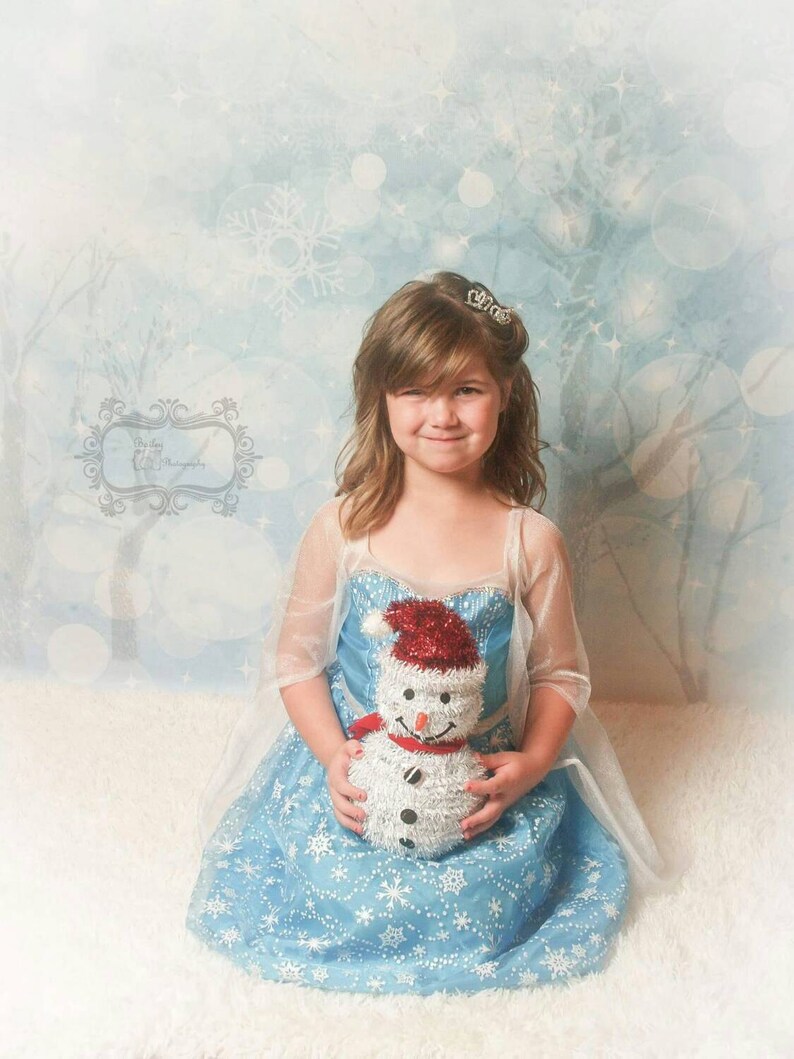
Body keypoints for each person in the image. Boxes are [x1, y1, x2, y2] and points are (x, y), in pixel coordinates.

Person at [185, 271, 680, 994]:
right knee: (333, 891)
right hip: (363, 764)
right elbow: (296, 660)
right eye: (415, 390)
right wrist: (334, 760)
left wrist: (533, 765)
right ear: (380, 399)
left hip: (478, 777)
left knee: (488, 907)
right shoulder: (344, 527)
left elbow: (559, 675)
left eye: (466, 389)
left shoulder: (529, 540)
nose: (440, 414)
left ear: (505, 394)